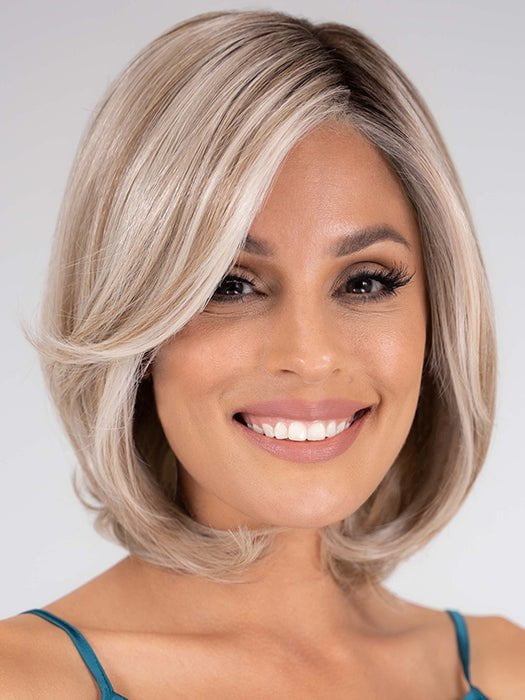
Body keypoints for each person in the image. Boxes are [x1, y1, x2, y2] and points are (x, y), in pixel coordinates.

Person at [1, 8, 523, 698]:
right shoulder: (25, 679)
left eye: (365, 281)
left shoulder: (500, 667)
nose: (310, 355)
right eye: (230, 285)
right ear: (135, 321)